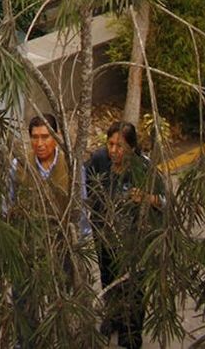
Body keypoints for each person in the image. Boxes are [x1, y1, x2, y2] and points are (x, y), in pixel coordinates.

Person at [8, 114, 90, 348]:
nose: (40, 143)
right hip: (28, 245)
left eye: (45, 137)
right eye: (35, 138)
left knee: (61, 296)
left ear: (56, 137)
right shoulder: (19, 165)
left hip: (60, 244)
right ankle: (26, 342)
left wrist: (80, 247)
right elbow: (9, 202)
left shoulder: (71, 166)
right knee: (23, 298)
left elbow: (80, 207)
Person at [86, 121, 165, 349]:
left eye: (119, 146)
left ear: (131, 147)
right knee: (109, 281)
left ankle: (131, 333)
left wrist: (148, 198)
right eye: (110, 144)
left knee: (133, 290)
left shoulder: (144, 168)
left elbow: (167, 202)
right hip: (105, 241)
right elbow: (84, 185)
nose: (113, 150)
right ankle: (113, 319)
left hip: (134, 246)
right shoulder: (99, 160)